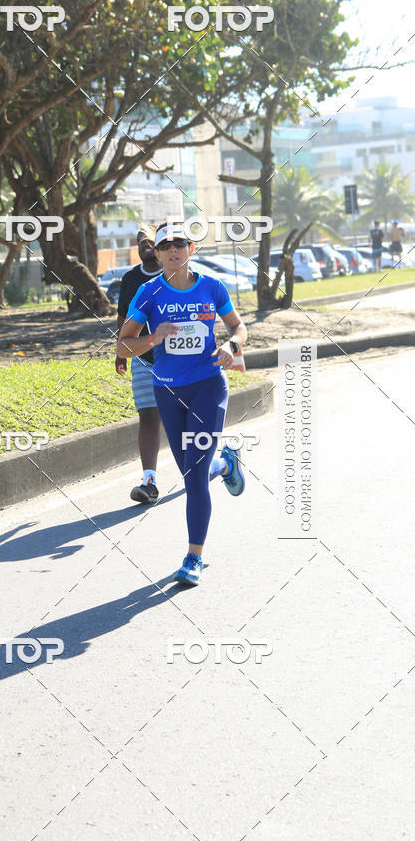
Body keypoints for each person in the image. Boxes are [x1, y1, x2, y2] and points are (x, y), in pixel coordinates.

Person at [117, 222, 248, 587]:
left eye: (180, 243)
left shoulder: (212, 286)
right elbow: (123, 345)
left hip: (208, 386)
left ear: (191, 249)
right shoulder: (148, 293)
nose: (173, 249)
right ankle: (226, 464)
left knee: (194, 478)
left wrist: (231, 346)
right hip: (168, 392)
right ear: (157, 254)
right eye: (165, 245)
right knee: (194, 473)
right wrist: (152, 338)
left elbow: (239, 327)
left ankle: (194, 557)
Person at [116, 226, 163, 504]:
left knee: (185, 418)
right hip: (144, 359)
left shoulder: (175, 273)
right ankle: (149, 481)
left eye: (150, 240)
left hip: (180, 361)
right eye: (140, 242)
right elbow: (123, 316)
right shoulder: (131, 279)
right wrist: (120, 352)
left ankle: (204, 466)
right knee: (148, 416)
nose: (145, 245)